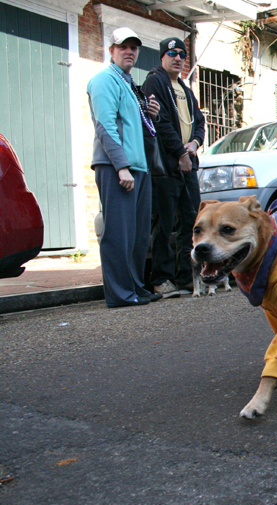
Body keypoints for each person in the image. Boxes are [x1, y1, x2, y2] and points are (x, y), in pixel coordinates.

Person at [88, 27, 162, 308]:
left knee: (139, 234)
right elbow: (105, 126)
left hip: (138, 167)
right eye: (123, 47)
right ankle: (121, 294)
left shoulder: (130, 85)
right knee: (119, 233)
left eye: (134, 47)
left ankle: (136, 288)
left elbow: (135, 128)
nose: (129, 51)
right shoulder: (104, 80)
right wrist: (121, 167)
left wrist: (150, 114)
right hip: (116, 166)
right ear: (111, 51)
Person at [143, 37, 206, 298]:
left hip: (187, 164)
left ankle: (186, 277)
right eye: (172, 53)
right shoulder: (155, 81)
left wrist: (193, 143)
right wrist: (180, 153)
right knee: (164, 223)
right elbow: (161, 123)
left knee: (191, 223)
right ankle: (161, 279)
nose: (178, 58)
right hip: (167, 166)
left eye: (182, 54)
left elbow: (200, 122)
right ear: (162, 57)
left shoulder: (184, 88)